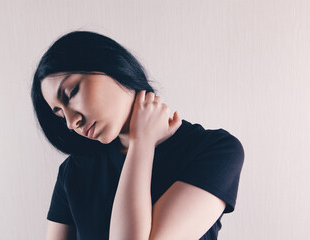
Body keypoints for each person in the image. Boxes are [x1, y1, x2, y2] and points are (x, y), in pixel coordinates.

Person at [31, 30, 245, 240]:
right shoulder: (74, 171)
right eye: (59, 114)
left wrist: (141, 143)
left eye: (71, 93)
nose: (70, 122)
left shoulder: (215, 151)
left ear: (111, 65)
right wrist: (140, 142)